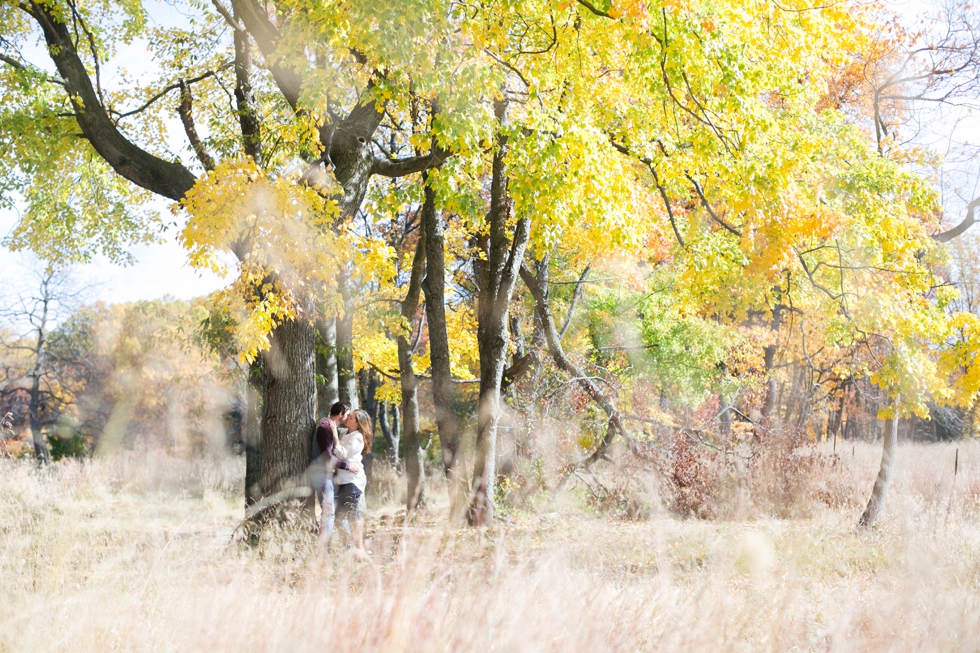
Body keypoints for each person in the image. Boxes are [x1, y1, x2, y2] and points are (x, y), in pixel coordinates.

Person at [310, 401, 359, 550]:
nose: (348, 417)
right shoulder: (325, 428)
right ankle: (324, 551)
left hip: (328, 477)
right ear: (341, 414)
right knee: (329, 514)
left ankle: (350, 547)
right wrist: (347, 466)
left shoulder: (333, 428)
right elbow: (327, 457)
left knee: (338, 513)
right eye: (347, 414)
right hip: (322, 475)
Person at [334, 409, 372, 550]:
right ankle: (351, 546)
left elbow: (341, 454)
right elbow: (334, 426)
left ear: (357, 424)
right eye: (348, 416)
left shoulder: (357, 437)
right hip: (343, 480)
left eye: (350, 418)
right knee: (340, 515)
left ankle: (358, 546)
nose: (347, 418)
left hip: (353, 481)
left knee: (351, 512)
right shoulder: (346, 432)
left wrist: (334, 436)